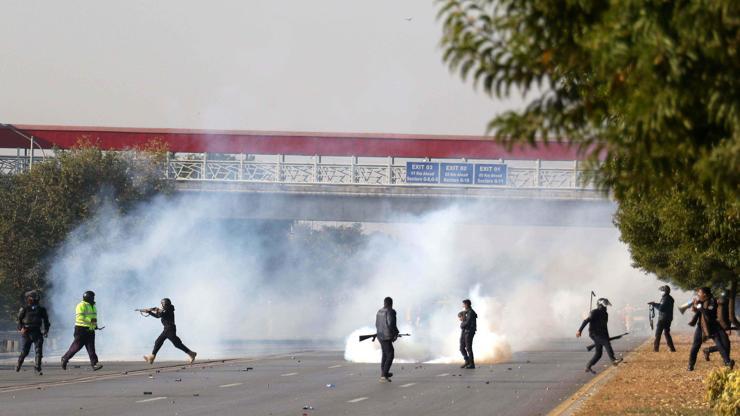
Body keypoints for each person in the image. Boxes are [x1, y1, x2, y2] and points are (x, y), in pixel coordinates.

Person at [687, 287, 734, 371]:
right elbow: (698, 312)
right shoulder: (702, 301)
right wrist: (695, 307)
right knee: (695, 346)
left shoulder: (712, 301)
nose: (698, 294)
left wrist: (699, 306)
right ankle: (690, 365)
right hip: (701, 326)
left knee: (720, 344)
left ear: (704, 294)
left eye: (699, 293)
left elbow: (707, 313)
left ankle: (727, 362)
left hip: (712, 326)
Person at [142, 298, 197, 365]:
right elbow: (158, 315)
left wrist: (150, 311)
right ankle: (151, 357)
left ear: (165, 304)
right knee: (167, 342)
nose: (161, 305)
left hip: (169, 329)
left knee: (174, 343)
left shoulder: (167, 310)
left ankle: (152, 357)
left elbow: (160, 315)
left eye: (162, 304)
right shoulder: (168, 309)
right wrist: (150, 312)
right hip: (168, 329)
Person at [577, 298, 623, 373]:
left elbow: (605, 327)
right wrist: (579, 330)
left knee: (598, 354)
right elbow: (586, 321)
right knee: (606, 343)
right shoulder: (594, 312)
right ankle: (613, 360)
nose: (606, 307)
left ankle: (588, 366)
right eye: (605, 306)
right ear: (600, 305)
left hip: (602, 334)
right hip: (594, 334)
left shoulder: (605, 314)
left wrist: (607, 337)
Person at [61, 290, 102, 371]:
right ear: (88, 297)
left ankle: (94, 364)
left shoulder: (93, 306)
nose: (93, 298)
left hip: (90, 329)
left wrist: (95, 326)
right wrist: (91, 322)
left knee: (91, 348)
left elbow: (93, 317)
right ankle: (65, 358)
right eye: (92, 297)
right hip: (81, 329)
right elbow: (80, 317)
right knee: (76, 347)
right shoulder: (81, 305)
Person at [16, 291, 50, 375]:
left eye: (35, 297)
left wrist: (46, 330)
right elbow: (19, 320)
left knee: (39, 351)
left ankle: (38, 367)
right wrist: (21, 328)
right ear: (29, 299)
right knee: (25, 352)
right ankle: (19, 364)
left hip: (37, 331)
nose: (35, 299)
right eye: (33, 297)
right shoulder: (24, 308)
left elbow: (46, 321)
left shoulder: (41, 309)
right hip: (27, 332)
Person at [702, 290, 732, 361]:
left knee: (725, 344)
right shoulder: (723, 302)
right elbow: (720, 317)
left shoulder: (722, 302)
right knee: (725, 345)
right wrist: (726, 328)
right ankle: (726, 361)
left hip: (721, 326)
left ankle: (708, 350)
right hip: (720, 327)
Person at [375, 296, 399, 383]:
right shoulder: (391, 311)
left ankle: (384, 372)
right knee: (390, 354)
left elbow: (376, 324)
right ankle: (384, 375)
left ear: (384, 303)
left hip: (380, 335)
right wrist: (396, 332)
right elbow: (391, 324)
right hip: (386, 336)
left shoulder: (379, 311)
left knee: (385, 354)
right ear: (391, 304)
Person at [648, 285, 676, 352]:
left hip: (663, 318)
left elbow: (661, 308)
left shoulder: (665, 298)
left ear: (664, 291)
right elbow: (662, 306)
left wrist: (654, 304)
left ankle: (655, 349)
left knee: (658, 333)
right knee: (666, 333)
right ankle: (672, 349)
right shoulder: (669, 298)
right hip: (668, 318)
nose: (660, 292)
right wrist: (654, 304)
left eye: (661, 291)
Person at [459, 299, 477, 369]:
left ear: (466, 305)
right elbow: (460, 313)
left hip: (469, 332)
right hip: (464, 331)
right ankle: (467, 361)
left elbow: (467, 322)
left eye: (463, 304)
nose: (463, 306)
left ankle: (472, 364)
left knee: (468, 348)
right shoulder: (466, 311)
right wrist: (461, 315)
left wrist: (462, 324)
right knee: (461, 348)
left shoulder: (471, 312)